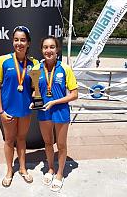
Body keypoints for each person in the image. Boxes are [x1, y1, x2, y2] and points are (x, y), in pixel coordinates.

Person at [0, 26, 38, 187]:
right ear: (13, 41)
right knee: (9, 140)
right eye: (16, 39)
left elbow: (35, 88)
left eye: (23, 40)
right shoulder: (3, 60)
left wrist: (35, 97)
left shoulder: (34, 63)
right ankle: (9, 170)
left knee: (21, 139)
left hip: (25, 110)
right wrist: (0, 111)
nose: (19, 43)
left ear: (28, 43)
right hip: (8, 110)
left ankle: (23, 168)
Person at [32, 36, 78, 192]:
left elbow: (74, 94)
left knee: (62, 145)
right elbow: (35, 91)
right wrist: (34, 100)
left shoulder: (65, 68)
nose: (48, 50)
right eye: (45, 47)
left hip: (60, 111)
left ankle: (59, 174)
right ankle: (51, 168)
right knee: (47, 143)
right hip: (44, 111)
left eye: (52, 47)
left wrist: (54, 102)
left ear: (57, 50)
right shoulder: (37, 68)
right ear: (41, 50)